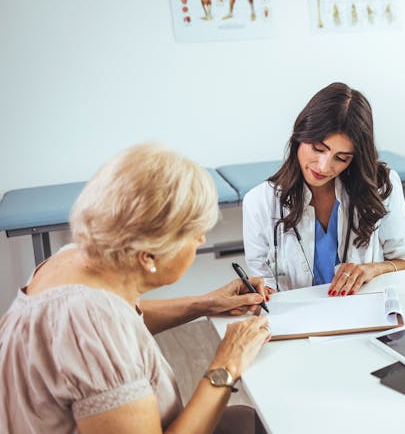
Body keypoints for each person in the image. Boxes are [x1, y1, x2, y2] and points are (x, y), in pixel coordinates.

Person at [0, 143, 274, 434]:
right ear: (149, 255)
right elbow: (100, 331)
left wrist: (204, 304)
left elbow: (122, 319)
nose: (202, 241)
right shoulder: (92, 324)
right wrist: (227, 364)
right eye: (196, 233)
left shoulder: (72, 259)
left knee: (244, 419)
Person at [243, 82, 405, 295]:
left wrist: (371, 269)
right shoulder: (259, 202)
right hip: (298, 321)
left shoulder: (380, 186)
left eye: (342, 158)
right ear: (300, 135)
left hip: (365, 315)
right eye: (318, 148)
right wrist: (263, 293)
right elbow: (263, 282)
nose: (324, 166)